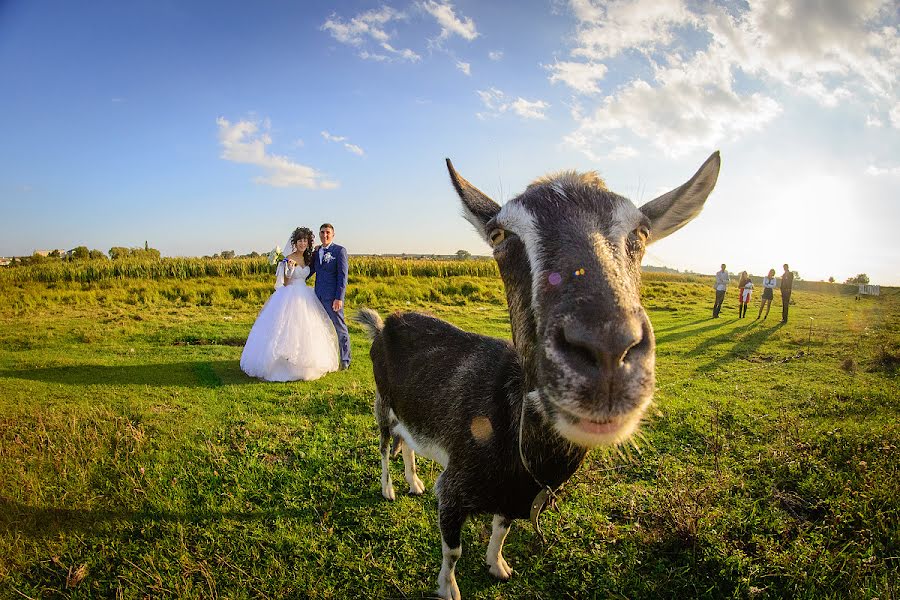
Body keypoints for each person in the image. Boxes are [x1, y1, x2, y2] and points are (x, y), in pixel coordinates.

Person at [240, 227, 339, 381]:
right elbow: (285, 283)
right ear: (295, 242)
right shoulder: (288, 258)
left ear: (308, 242)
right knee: (286, 329)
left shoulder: (308, 258)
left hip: (305, 296)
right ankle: (283, 363)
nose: (302, 243)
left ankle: (304, 363)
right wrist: (289, 269)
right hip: (290, 295)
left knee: (306, 330)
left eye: (305, 240)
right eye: (300, 240)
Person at [309, 223, 351, 370]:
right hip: (317, 296)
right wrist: (295, 277)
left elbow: (343, 275)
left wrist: (339, 297)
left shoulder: (339, 251)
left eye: (327, 232)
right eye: (322, 232)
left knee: (340, 328)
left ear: (333, 234)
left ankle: (345, 359)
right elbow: (312, 270)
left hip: (332, 298)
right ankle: (325, 358)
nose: (324, 235)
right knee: (321, 328)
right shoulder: (317, 251)